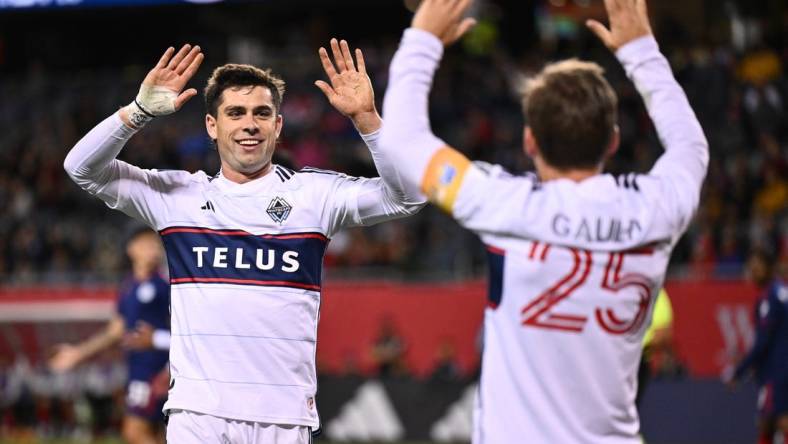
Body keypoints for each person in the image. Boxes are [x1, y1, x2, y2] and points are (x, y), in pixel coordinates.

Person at [378, 0, 708, 442]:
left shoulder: (505, 205)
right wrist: (641, 51)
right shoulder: (655, 210)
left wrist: (423, 37)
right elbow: (690, 147)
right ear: (613, 140)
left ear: (530, 141)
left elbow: (403, 139)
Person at [63, 40, 424, 443]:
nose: (249, 124)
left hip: (284, 418)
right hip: (198, 414)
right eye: (235, 113)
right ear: (212, 126)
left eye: (262, 113)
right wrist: (137, 112)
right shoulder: (178, 196)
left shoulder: (314, 196)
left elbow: (409, 195)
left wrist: (369, 120)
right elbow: (81, 168)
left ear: (278, 126)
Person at [49, 227, 171, 444]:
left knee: (134, 431)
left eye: (156, 244)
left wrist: (167, 363)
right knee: (158, 434)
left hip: (157, 371)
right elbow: (115, 331)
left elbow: (181, 330)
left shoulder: (164, 286)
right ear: (131, 249)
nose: (153, 248)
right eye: (146, 243)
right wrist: (79, 353)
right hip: (138, 369)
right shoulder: (128, 289)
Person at [726, 250, 788, 444]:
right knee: (768, 422)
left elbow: (763, 343)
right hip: (779, 368)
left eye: (757, 267)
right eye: (751, 268)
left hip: (778, 372)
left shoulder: (770, 298)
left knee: (776, 421)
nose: (753, 272)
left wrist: (739, 371)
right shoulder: (781, 292)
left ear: (769, 268)